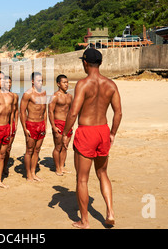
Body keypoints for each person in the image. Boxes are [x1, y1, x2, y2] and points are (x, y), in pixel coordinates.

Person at [62, 48, 122, 229]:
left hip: (87, 131)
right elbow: (118, 112)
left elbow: (73, 112)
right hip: (103, 130)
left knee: (82, 179)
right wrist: (112, 133)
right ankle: (110, 212)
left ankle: (85, 221)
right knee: (103, 173)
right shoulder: (111, 85)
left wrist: (65, 133)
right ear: (101, 63)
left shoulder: (83, 84)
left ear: (85, 63)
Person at [19, 71, 47, 182]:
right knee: (29, 150)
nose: (41, 82)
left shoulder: (44, 93)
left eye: (41, 80)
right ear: (32, 81)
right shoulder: (28, 94)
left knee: (37, 150)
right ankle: (28, 174)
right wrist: (25, 128)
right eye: (38, 80)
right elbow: (22, 111)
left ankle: (33, 172)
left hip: (41, 125)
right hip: (31, 124)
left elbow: (45, 110)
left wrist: (45, 124)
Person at [48, 74, 73, 176]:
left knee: (65, 147)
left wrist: (71, 125)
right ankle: (57, 168)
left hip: (67, 125)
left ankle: (62, 167)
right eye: (64, 82)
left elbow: (71, 111)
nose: (66, 84)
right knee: (58, 147)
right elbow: (50, 112)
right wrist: (53, 127)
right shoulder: (55, 96)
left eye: (67, 82)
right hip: (58, 123)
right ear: (58, 84)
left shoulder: (70, 96)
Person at [2, 75, 18, 177]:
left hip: (11, 124)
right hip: (1, 124)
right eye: (6, 83)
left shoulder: (14, 96)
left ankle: (4, 166)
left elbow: (16, 111)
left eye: (10, 82)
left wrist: (15, 124)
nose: (9, 84)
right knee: (0, 148)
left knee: (8, 148)